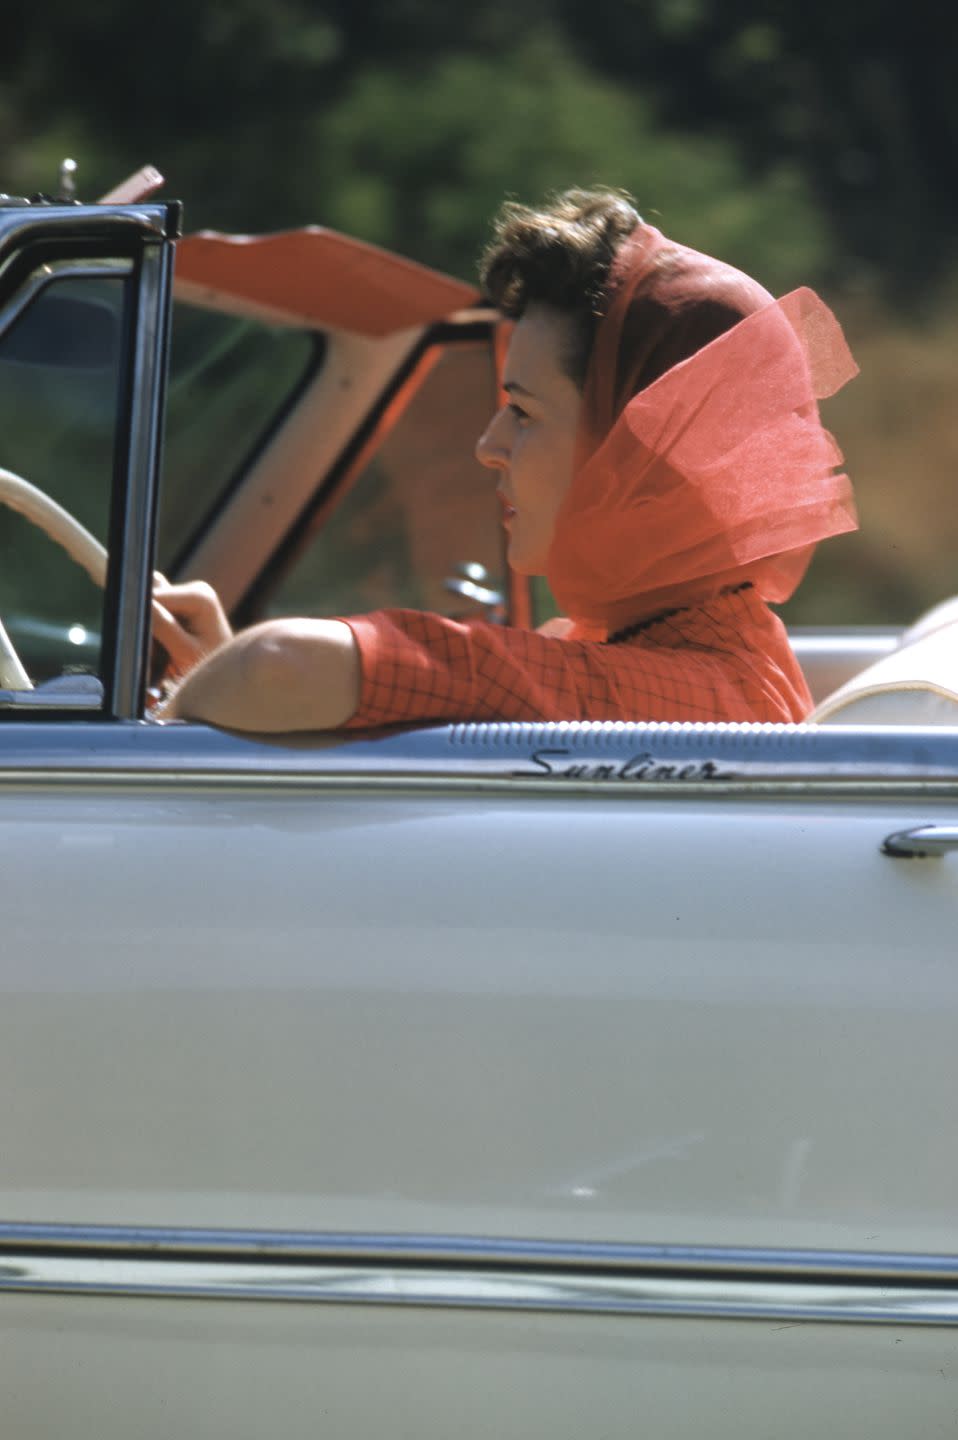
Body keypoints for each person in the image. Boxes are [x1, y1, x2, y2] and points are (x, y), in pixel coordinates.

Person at [155, 188, 858, 732]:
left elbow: (278, 667)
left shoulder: (695, 694)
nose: (487, 446)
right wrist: (222, 674)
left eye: (523, 412)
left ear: (642, 464)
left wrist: (184, 710)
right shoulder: (691, 656)